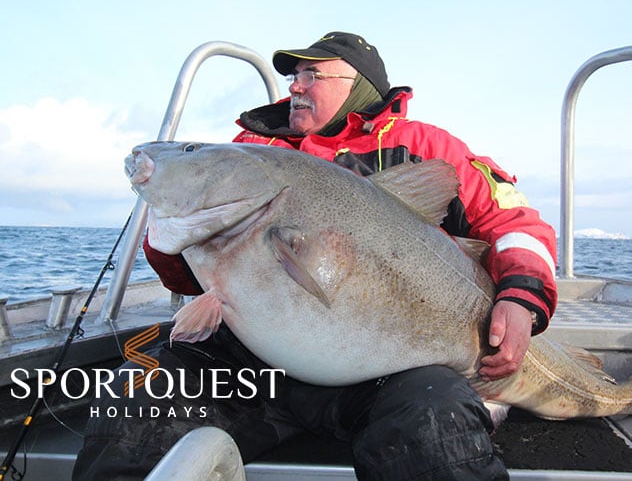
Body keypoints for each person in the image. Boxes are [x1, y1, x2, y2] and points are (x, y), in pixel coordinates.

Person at [73, 31, 557, 480]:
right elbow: (186, 282)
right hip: (250, 360)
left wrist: (521, 297)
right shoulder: (252, 147)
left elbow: (515, 223)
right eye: (292, 76)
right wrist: (170, 240)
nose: (296, 87)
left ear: (359, 83)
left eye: (311, 74)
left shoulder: (427, 146)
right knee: (137, 398)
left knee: (438, 425)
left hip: (389, 370)